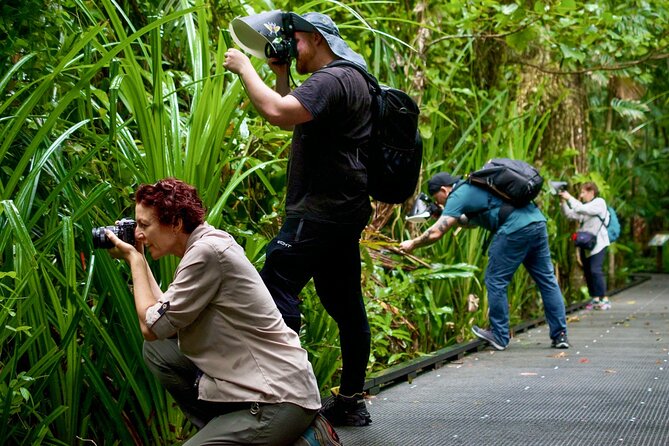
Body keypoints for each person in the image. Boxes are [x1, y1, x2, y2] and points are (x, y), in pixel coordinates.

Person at [224, 12, 373, 427]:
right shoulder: (353, 77)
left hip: (318, 212)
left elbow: (277, 112)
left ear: (316, 39)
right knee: (344, 304)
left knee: (275, 286)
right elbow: (295, 111)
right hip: (343, 210)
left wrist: (245, 67)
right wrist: (281, 75)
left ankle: (289, 400)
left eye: (295, 41)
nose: (290, 47)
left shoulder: (331, 79)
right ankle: (349, 402)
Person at [106, 178, 322, 445]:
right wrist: (137, 257)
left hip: (277, 398)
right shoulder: (202, 246)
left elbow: (149, 328)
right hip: (255, 390)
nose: (138, 234)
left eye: (145, 225)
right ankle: (222, 430)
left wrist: (135, 260)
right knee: (159, 351)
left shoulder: (207, 253)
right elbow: (162, 321)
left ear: (175, 223)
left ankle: (293, 437)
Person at [399, 171, 570, 351]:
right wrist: (446, 214)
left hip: (514, 229)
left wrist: (413, 243)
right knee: (547, 281)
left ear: (444, 190)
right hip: (536, 222)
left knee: (495, 280)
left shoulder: (458, 194)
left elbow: (436, 232)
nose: (438, 203)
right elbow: (470, 221)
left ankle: (499, 335)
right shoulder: (477, 185)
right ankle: (560, 335)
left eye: (438, 199)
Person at [559, 182, 611, 310]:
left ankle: (604, 299)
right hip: (587, 244)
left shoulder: (599, 203)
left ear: (591, 192)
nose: (581, 195)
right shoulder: (585, 206)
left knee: (595, 270)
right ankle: (595, 298)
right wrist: (563, 202)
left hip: (598, 243)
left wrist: (569, 197)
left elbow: (581, 208)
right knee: (588, 272)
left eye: (583, 192)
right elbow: (571, 214)